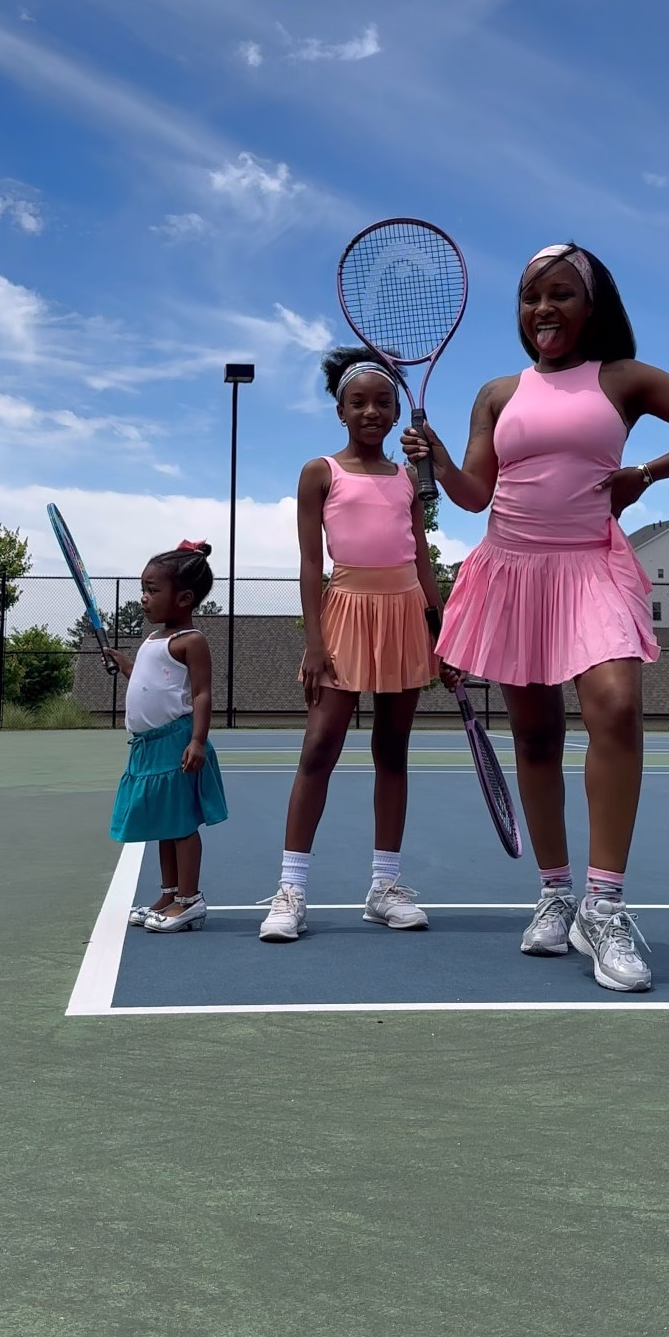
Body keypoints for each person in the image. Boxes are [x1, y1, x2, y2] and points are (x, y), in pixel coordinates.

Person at [402, 243, 669, 994]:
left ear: (592, 306)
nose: (543, 309)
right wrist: (432, 460)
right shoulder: (497, 393)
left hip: (592, 565)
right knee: (534, 733)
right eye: (530, 298)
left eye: (560, 294)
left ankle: (605, 906)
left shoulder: (624, 379)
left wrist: (644, 473)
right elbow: (471, 495)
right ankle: (556, 894)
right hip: (510, 569)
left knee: (617, 709)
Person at [259, 348, 444, 942]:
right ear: (339, 410)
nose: (371, 411)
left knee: (393, 752)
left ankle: (384, 886)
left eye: (382, 402)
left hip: (405, 613)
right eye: (358, 402)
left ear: (396, 412)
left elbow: (421, 557)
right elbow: (311, 564)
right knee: (319, 748)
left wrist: (442, 633)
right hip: (343, 615)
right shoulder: (320, 472)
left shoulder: (410, 477)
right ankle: (290, 890)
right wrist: (314, 641)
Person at [107, 542, 228, 933]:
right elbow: (149, 683)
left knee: (180, 825)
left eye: (152, 589)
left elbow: (201, 694)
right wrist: (126, 664)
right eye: (143, 589)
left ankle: (190, 900)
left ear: (185, 598)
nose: (144, 598)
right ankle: (170, 892)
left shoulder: (191, 641)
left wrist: (197, 741)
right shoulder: (151, 640)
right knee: (163, 824)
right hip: (148, 747)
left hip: (176, 744)